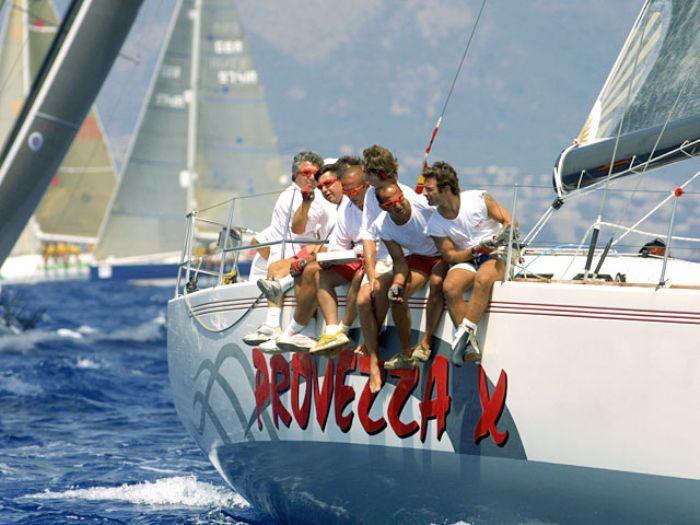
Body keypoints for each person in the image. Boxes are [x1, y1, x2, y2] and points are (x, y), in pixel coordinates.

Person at [272, 156, 368, 353]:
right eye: (321, 186)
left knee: (311, 269)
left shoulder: (355, 202)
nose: (324, 190)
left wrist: (315, 256)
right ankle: (315, 330)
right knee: (307, 269)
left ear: (342, 181)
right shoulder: (341, 207)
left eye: (329, 183)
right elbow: (302, 230)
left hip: (370, 258)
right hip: (351, 255)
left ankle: (297, 330)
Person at [423, 161, 514, 365]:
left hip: (496, 254)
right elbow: (450, 256)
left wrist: (498, 239)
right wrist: (476, 250)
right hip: (470, 257)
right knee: (450, 286)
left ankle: (463, 334)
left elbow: (510, 222)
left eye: (429, 189)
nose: (424, 194)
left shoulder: (478, 200)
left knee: (483, 279)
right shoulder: (435, 223)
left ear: (446, 188)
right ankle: (469, 343)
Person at [243, 151, 326, 345]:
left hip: (289, 261)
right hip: (292, 259)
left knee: (279, 269)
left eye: (315, 173)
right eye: (306, 172)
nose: (311, 177)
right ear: (295, 174)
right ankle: (299, 328)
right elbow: (298, 229)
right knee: (289, 271)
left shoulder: (294, 195)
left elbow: (257, 241)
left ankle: (276, 325)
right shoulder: (297, 197)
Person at [372, 182, 447, 377]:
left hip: (444, 254)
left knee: (437, 283)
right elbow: (399, 262)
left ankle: (426, 342)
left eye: (399, 199)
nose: (397, 205)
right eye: (390, 204)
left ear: (403, 194)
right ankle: (406, 354)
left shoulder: (424, 205)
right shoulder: (382, 225)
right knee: (397, 297)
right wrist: (397, 284)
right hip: (418, 259)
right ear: (382, 207)